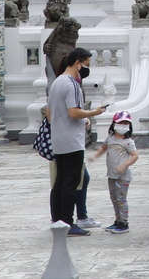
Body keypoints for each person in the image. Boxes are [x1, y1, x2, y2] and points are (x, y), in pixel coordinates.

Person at [47, 48, 107, 235]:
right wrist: (94, 113)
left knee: (60, 181)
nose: (87, 69)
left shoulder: (57, 82)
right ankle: (67, 221)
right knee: (70, 183)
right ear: (77, 63)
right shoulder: (71, 84)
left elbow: (50, 112)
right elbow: (73, 112)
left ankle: (57, 219)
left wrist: (80, 118)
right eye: (86, 64)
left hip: (59, 138)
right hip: (71, 140)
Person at [91, 110, 138, 234]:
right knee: (114, 198)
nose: (122, 125)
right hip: (111, 175)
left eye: (125, 123)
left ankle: (124, 223)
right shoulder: (110, 139)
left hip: (123, 176)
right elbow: (103, 148)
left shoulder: (128, 142)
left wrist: (125, 165)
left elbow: (134, 156)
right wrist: (95, 156)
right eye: (120, 122)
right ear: (114, 124)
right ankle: (117, 221)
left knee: (121, 199)